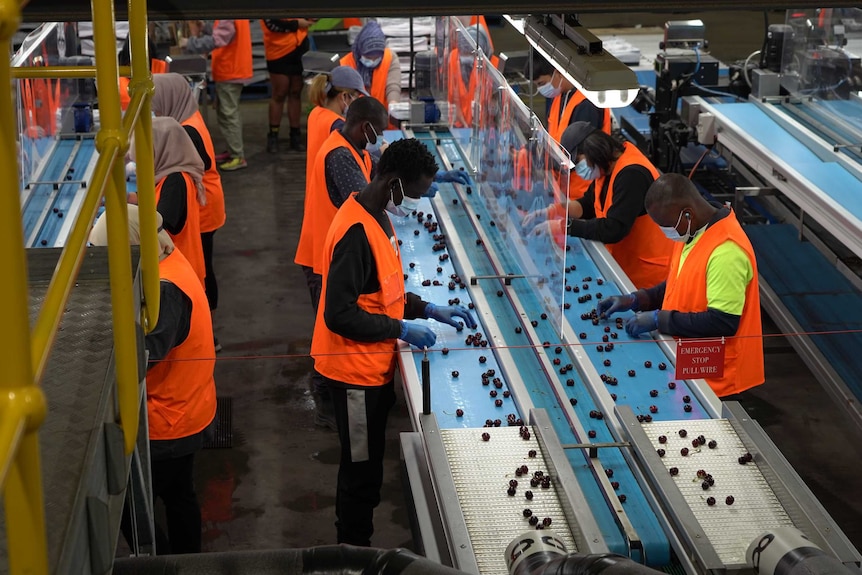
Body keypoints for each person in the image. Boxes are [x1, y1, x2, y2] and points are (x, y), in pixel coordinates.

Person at [311, 138, 477, 546]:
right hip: (353, 375)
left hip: (373, 367)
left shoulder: (375, 215)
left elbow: (381, 289)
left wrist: (425, 309)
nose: (415, 203)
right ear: (392, 183)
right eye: (414, 194)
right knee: (360, 470)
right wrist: (400, 329)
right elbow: (340, 314)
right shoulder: (354, 232)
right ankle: (351, 553)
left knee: (365, 467)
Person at [90, 204, 216, 554]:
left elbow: (144, 356)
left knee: (132, 508)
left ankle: (160, 562)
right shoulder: (167, 258)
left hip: (169, 422)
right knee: (180, 495)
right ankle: (188, 560)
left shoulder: (166, 289)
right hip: (189, 407)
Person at [597, 173, 764, 397]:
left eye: (666, 225)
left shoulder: (726, 251)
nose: (666, 232)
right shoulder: (693, 230)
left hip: (718, 379)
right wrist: (638, 299)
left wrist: (659, 319)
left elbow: (722, 321)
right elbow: (680, 281)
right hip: (690, 364)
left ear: (687, 213)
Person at [295, 96, 387, 430]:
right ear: (365, 127)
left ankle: (331, 401)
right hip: (323, 257)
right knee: (330, 333)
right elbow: (367, 204)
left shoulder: (356, 150)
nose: (380, 138)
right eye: (379, 131)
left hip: (329, 254)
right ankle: (327, 407)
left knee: (330, 328)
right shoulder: (339, 156)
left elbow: (377, 180)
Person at [528, 122, 673, 289]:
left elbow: (614, 228)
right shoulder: (607, 167)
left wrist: (564, 226)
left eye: (579, 161)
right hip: (624, 265)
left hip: (646, 275)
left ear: (593, 150)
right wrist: (555, 211)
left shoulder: (632, 175)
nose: (579, 168)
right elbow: (589, 204)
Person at [151, 73, 226, 317]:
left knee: (202, 263)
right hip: (203, 199)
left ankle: (206, 314)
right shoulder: (187, 116)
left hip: (204, 205)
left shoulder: (187, 129)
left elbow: (197, 162)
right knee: (204, 261)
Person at [130, 116, 206, 286]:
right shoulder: (172, 174)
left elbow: (162, 224)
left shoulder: (175, 182)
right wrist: (128, 198)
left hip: (178, 277)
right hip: (181, 270)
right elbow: (157, 197)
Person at [528, 54, 611, 199]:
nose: (540, 89)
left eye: (542, 83)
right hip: (562, 189)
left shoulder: (587, 105)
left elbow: (581, 152)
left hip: (583, 193)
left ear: (558, 72)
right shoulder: (560, 96)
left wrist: (543, 162)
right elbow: (553, 136)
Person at [182, 19, 253, 171]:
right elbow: (223, 31)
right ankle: (233, 150)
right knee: (225, 113)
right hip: (230, 70)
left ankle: (237, 156)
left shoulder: (228, 12)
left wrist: (189, 43)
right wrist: (206, 27)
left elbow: (219, 39)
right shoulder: (231, 11)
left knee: (229, 114)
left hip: (230, 71)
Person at [305, 66, 368, 187]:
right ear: (344, 96)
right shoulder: (339, 127)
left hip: (317, 195)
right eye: (357, 96)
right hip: (332, 201)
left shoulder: (316, 113)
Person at [261, 18, 314, 153]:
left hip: (300, 48)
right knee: (279, 93)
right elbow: (270, 23)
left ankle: (295, 136)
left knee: (296, 92)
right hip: (278, 50)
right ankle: (273, 136)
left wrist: (308, 20)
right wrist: (297, 24)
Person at [339, 20, 401, 114]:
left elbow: (393, 86)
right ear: (360, 51)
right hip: (355, 121)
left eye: (376, 58)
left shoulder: (389, 58)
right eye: (368, 57)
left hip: (384, 121)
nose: (372, 61)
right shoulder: (345, 64)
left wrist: (393, 105)